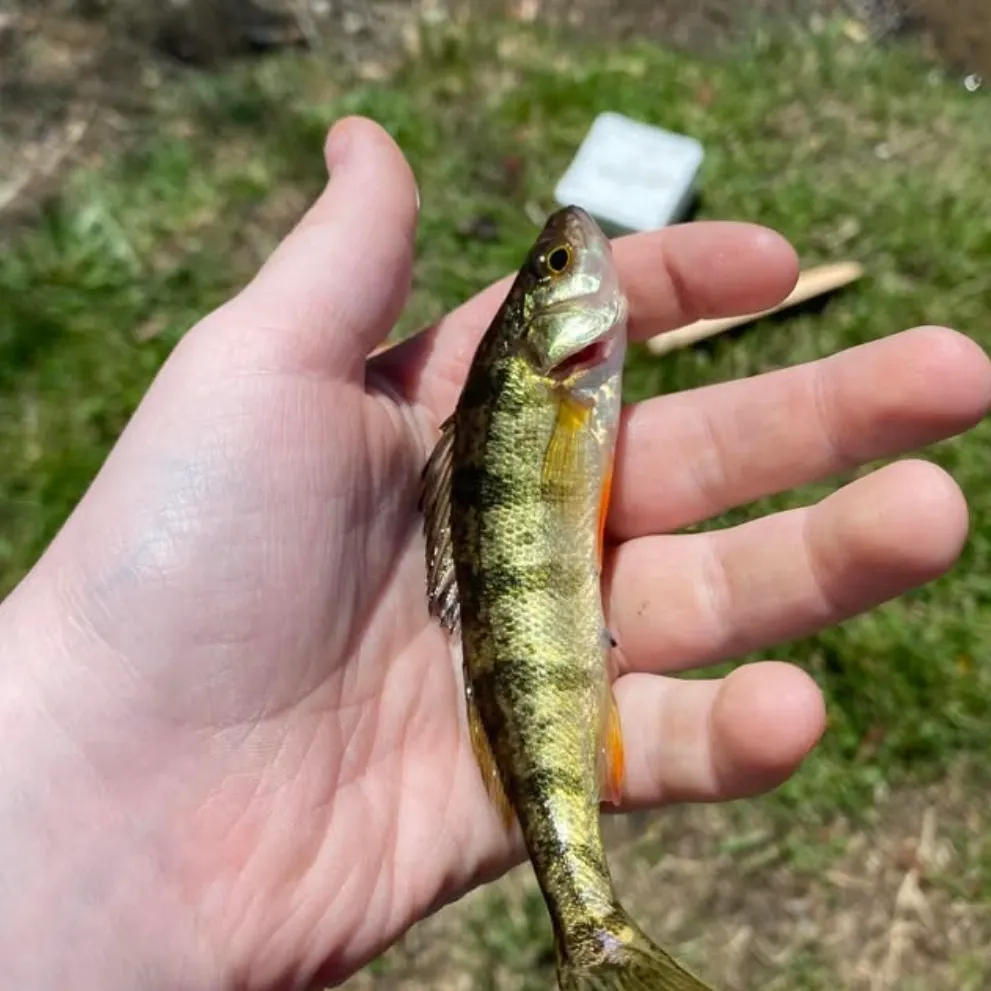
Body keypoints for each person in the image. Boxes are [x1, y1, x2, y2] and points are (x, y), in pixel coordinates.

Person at [0, 116, 987, 989]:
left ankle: (594, 929)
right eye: (557, 272)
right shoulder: (541, 385)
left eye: (552, 267)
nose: (575, 252)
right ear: (541, 337)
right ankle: (592, 933)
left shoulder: (549, 385)